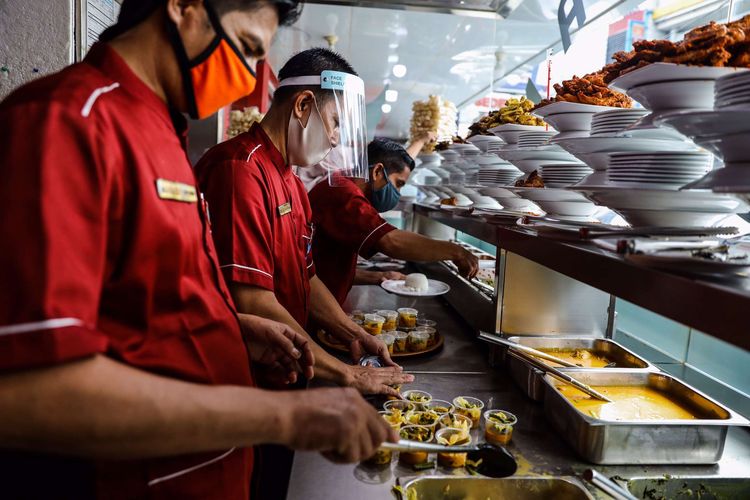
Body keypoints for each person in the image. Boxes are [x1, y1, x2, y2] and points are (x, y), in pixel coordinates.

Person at [0, 1, 397, 499]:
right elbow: (31, 389)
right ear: (183, 7)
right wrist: (286, 415)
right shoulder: (67, 122)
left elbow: (146, 303)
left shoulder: (161, 132)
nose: (249, 78)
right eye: (248, 47)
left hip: (210, 468)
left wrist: (233, 332)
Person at [194, 48, 412, 394]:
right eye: (336, 121)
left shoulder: (292, 182)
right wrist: (347, 373)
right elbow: (251, 301)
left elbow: (306, 279)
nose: (338, 138)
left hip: (287, 368)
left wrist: (354, 334)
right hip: (243, 381)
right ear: (302, 106)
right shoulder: (240, 171)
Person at [309, 138, 480, 305]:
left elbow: (327, 268)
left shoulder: (341, 183)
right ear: (377, 171)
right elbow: (391, 241)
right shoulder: (345, 194)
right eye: (398, 184)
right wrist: (456, 251)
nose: (397, 193)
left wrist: (379, 277)